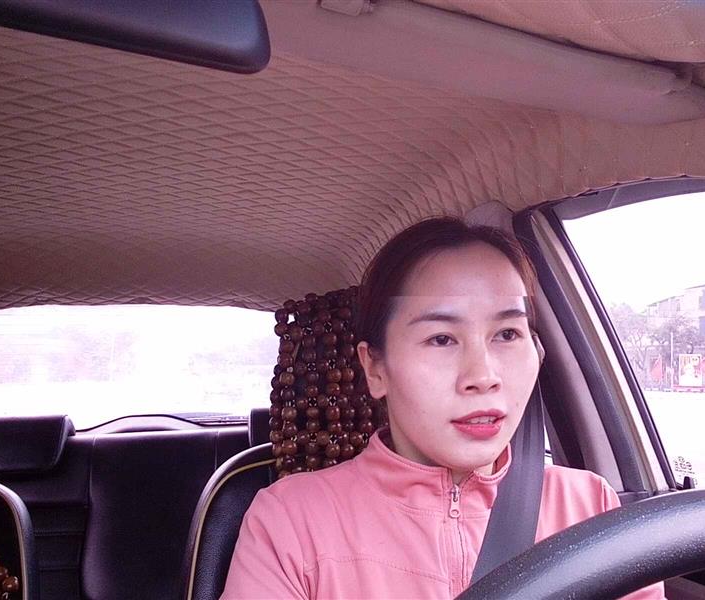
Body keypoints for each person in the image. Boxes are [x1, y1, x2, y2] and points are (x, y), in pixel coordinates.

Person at [220, 217, 665, 599]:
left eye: (507, 334)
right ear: (374, 367)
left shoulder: (590, 506)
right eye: (441, 339)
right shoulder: (291, 522)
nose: (483, 375)